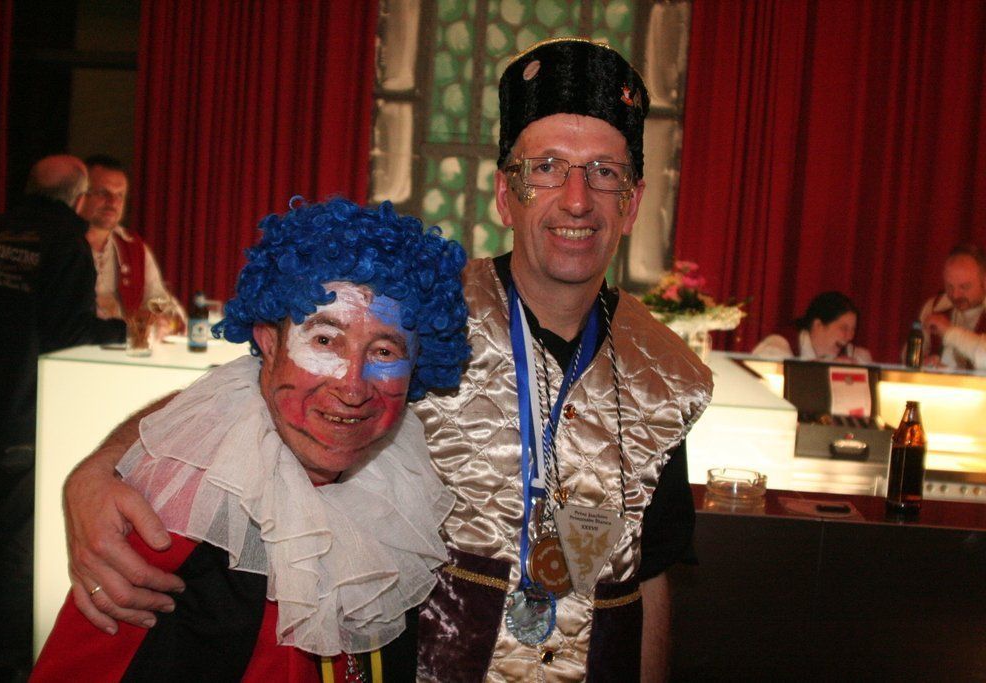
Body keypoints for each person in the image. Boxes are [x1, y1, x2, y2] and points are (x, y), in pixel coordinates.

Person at [62, 39, 713, 682]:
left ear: (632, 201)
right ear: (504, 192)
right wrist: (97, 471)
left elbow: (651, 571)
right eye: (546, 167)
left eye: (605, 172)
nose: (576, 199)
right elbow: (246, 390)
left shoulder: (668, 371)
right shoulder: (411, 317)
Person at [31, 197, 469, 680]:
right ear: (268, 341)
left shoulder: (404, 492)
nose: (352, 387)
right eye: (324, 340)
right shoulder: (179, 510)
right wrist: (97, 467)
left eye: (384, 351)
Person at [0, 154, 127, 681]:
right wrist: (121, 331)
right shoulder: (65, 243)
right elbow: (67, 334)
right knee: (16, 546)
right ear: (78, 197)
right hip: (22, 411)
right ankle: (4, 660)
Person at [80, 154, 186, 331]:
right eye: (103, 193)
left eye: (120, 195)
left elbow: (159, 300)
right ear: (81, 195)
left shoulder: (133, 247)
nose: (113, 202)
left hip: (121, 345)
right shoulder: (60, 244)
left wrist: (164, 317)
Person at [751, 291, 873, 364]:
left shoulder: (853, 355)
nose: (850, 336)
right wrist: (827, 367)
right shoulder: (778, 344)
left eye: (853, 329)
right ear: (818, 325)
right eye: (844, 328)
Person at [918, 243, 986, 369]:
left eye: (964, 287)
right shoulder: (935, 307)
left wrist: (949, 332)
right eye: (949, 286)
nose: (955, 295)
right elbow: (911, 353)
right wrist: (924, 362)